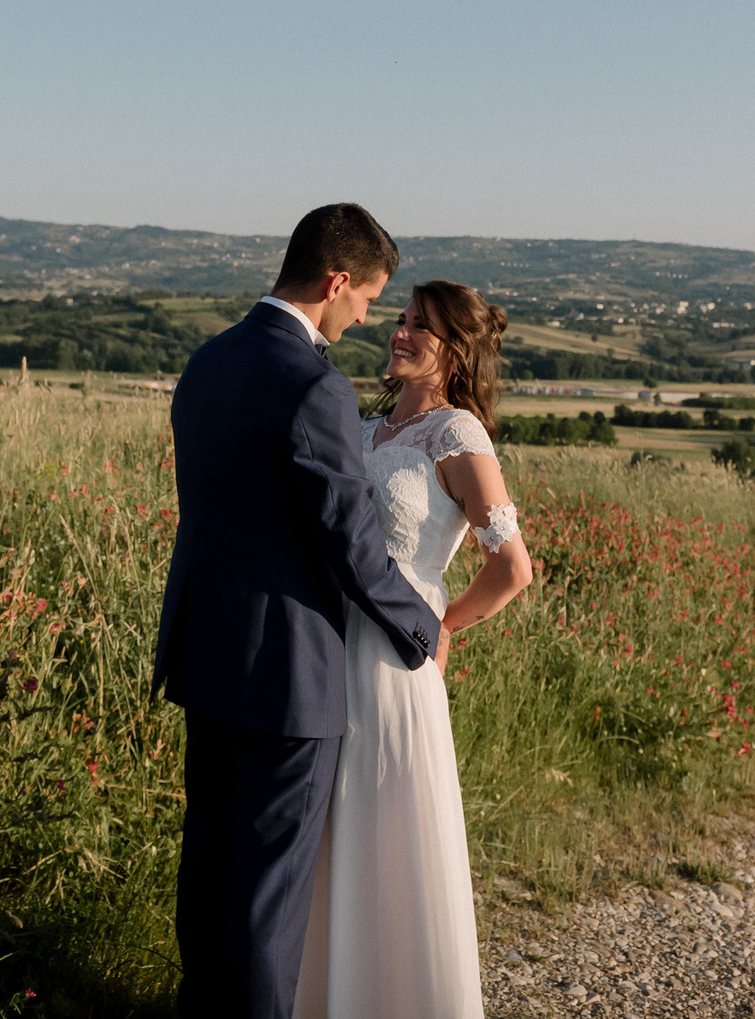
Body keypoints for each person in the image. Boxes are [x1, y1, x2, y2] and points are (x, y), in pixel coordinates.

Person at [155, 204, 443, 1019]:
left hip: (205, 654)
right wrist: (423, 629)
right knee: (268, 904)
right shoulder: (315, 385)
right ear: (336, 280)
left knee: (207, 875)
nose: (367, 320)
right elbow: (351, 545)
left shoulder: (207, 361)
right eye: (367, 300)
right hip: (288, 674)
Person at [298, 279, 534, 1019]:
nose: (399, 333)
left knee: (389, 828)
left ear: (455, 350)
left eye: (420, 328)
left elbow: (513, 567)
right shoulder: (369, 428)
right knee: (335, 825)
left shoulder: (457, 434)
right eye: (399, 319)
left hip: (397, 657)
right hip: (332, 645)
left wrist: (447, 627)